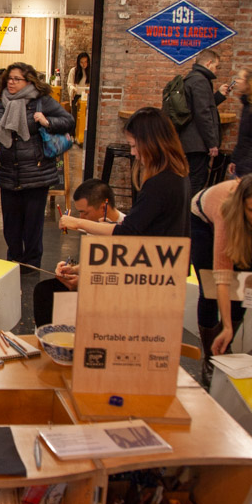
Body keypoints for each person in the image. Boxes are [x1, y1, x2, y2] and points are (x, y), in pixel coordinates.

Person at [191, 173, 252, 386]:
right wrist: (226, 325)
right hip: (202, 219)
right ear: (242, 206)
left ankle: (225, 345)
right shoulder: (225, 212)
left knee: (247, 284)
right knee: (209, 291)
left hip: (236, 221)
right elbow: (222, 279)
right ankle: (210, 357)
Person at [0, 62, 73, 268]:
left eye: (16, 79)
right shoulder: (2, 103)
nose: (11, 82)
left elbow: (68, 121)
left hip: (36, 172)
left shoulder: (42, 101)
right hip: (8, 173)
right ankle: (13, 263)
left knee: (32, 226)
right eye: (9, 79)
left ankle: (31, 266)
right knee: (11, 226)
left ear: (29, 81)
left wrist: (47, 122)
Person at [61, 107, 190, 238]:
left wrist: (78, 223)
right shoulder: (179, 175)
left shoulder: (159, 184)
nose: (133, 153)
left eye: (133, 146)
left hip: (156, 256)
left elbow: (127, 232)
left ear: (151, 143)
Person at [31, 179, 125, 326]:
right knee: (44, 291)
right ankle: (47, 341)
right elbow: (94, 263)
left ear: (103, 207)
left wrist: (83, 283)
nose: (81, 218)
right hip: (93, 282)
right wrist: (72, 270)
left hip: (115, 291)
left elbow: (120, 276)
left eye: (84, 213)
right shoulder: (95, 225)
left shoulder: (126, 230)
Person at [177, 51, 230, 197]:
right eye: (216, 66)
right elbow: (203, 114)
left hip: (190, 140)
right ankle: (189, 217)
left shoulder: (193, 78)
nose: (216, 70)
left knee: (193, 179)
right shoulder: (200, 80)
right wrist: (212, 142)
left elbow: (202, 107)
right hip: (196, 142)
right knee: (196, 181)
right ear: (208, 63)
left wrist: (219, 96)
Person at [66, 52, 90, 117]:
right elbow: (69, 83)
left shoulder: (90, 71)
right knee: (75, 116)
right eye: (81, 62)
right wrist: (73, 88)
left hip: (87, 96)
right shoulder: (74, 71)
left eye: (85, 62)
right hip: (76, 95)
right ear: (79, 62)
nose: (84, 64)